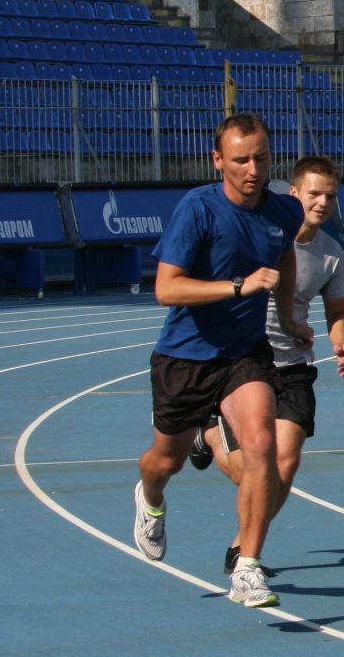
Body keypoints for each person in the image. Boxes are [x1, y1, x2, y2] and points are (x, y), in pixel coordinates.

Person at [133, 113, 311, 608]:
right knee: (164, 461)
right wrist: (238, 285)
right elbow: (165, 289)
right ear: (218, 161)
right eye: (240, 160)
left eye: (261, 158)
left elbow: (285, 256)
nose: (252, 169)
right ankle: (149, 498)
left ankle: (248, 568)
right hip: (186, 356)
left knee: (261, 445)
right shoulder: (198, 210)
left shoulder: (283, 211)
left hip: (243, 354)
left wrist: (289, 314)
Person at [188, 155, 344, 577]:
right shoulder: (258, 233)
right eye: (313, 194)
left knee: (286, 462)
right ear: (293, 193)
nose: (321, 203)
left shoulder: (332, 254)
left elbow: (337, 311)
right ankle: (206, 434)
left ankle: (243, 549)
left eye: (330, 196)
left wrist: (340, 342)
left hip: (294, 363)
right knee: (253, 471)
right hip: (244, 361)